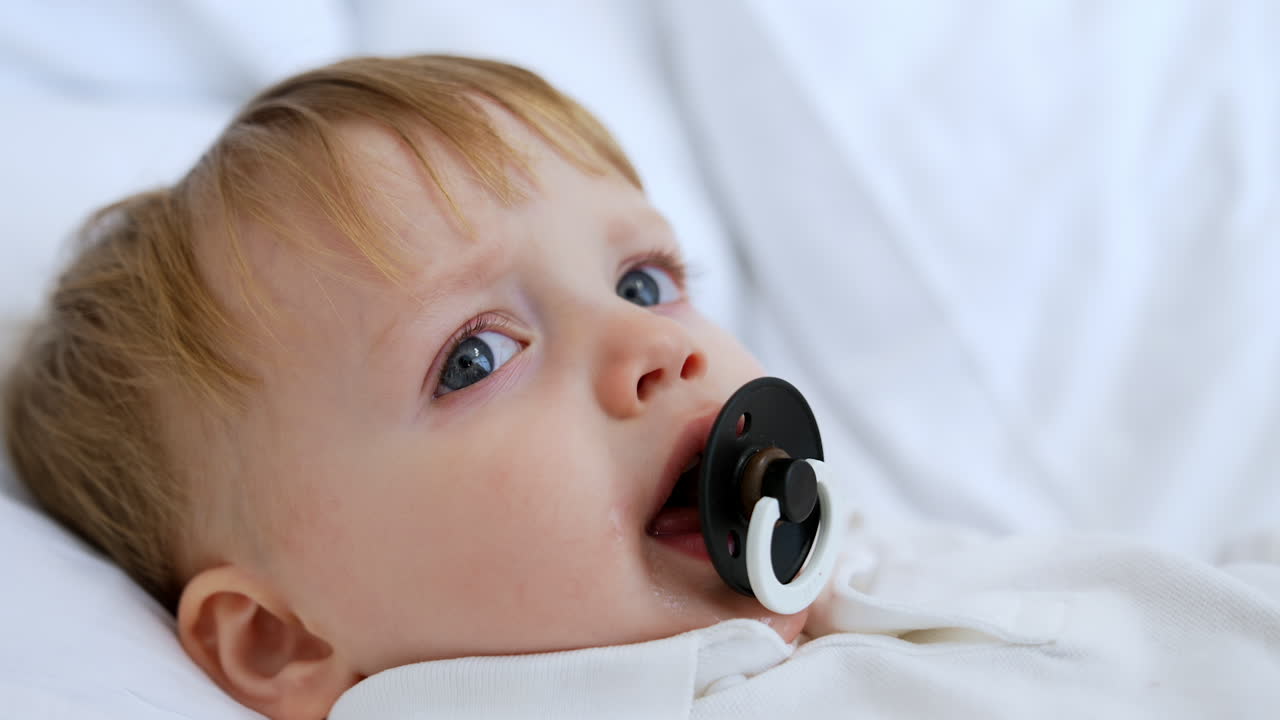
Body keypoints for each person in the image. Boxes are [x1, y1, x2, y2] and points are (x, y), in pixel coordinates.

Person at [4, 54, 1279, 720]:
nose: (656, 352)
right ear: (281, 640)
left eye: (645, 279)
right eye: (474, 356)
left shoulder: (887, 564)